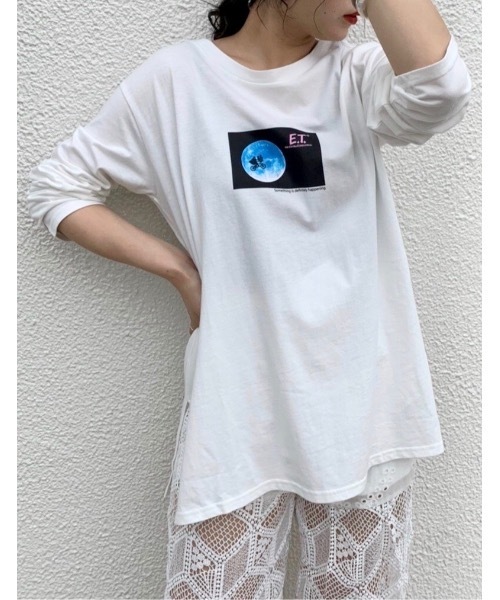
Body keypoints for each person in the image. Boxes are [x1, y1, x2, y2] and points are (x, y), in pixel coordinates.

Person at [26, 0, 472, 597]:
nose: (360, 8)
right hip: (238, 401)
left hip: (361, 401)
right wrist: (181, 271)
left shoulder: (357, 75)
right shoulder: (176, 83)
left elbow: (440, 90)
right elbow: (57, 187)